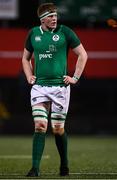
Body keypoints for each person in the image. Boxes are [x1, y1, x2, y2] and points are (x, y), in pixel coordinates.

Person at [22, 2, 88, 177]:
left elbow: (83, 54)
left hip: (60, 88)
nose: (54, 19)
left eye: (56, 16)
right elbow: (25, 58)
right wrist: (29, 75)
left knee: (58, 129)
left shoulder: (65, 32)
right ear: (42, 19)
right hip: (39, 88)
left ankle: (64, 164)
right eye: (51, 16)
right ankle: (35, 168)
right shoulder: (33, 34)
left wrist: (74, 78)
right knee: (40, 125)